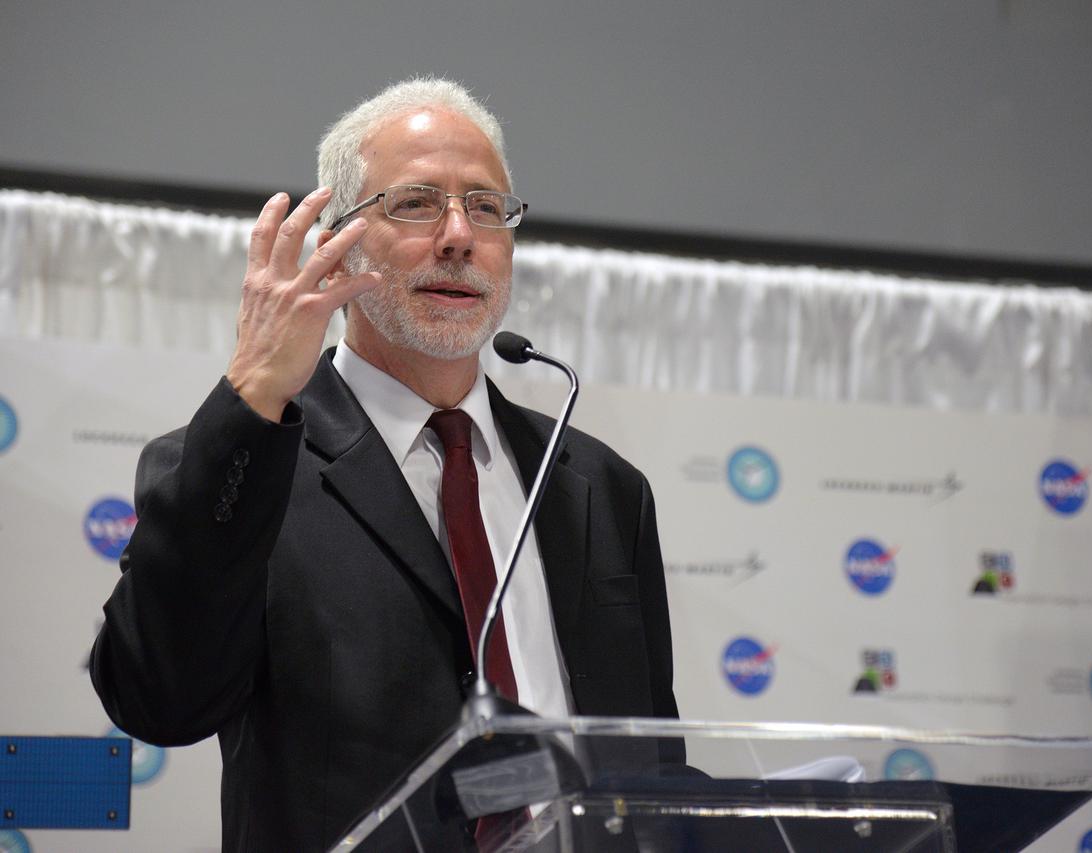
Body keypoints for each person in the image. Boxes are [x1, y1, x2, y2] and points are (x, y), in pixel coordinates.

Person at [90, 77, 679, 852]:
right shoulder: (249, 465)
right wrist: (254, 393)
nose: (459, 234)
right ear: (336, 246)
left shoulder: (599, 486)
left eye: (486, 207)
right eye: (415, 203)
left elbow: (654, 761)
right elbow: (158, 700)